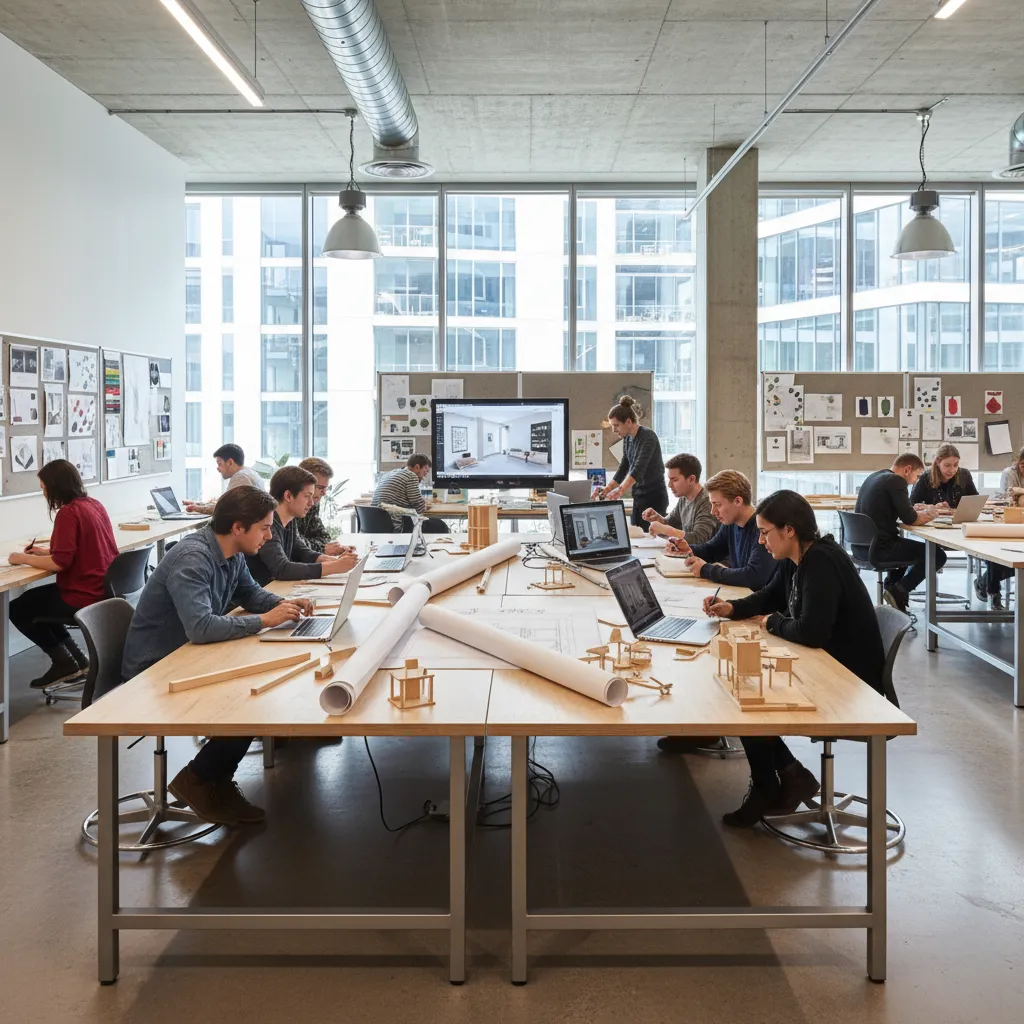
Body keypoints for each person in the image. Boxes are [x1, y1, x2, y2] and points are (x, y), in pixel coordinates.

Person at [123, 487, 314, 826]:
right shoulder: (193, 558)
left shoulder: (231, 551)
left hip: (187, 656)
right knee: (247, 699)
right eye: (265, 528)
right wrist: (263, 622)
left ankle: (215, 780)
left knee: (258, 686)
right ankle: (199, 779)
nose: (270, 536)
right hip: (155, 670)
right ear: (238, 527)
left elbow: (250, 593)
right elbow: (199, 627)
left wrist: (283, 607)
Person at [703, 490, 887, 827]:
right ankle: (787, 775)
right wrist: (733, 608)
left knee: (750, 693)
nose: (760, 541)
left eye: (764, 532)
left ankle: (770, 784)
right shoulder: (796, 558)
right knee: (744, 683)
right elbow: (768, 596)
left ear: (789, 530)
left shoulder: (822, 562)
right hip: (825, 664)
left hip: (849, 682)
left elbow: (811, 632)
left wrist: (772, 622)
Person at [7, 459, 119, 689]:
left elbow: (60, 563)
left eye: (44, 488)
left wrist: (23, 558)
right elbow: (73, 550)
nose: (44, 493)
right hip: (101, 588)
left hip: (82, 593)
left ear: (55, 486)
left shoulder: (68, 513)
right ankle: (77, 660)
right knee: (37, 603)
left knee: (18, 609)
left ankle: (64, 661)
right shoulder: (93, 504)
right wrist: (42, 552)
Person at [913, 443, 1007, 609]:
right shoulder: (925, 479)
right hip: (935, 529)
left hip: (962, 526)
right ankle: (989, 587)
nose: (952, 470)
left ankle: (992, 590)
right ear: (937, 462)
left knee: (993, 546)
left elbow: (975, 500)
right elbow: (913, 505)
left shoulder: (963, 475)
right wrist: (932, 508)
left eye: (956, 465)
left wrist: (958, 510)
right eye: (947, 465)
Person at [853, 452, 941, 612]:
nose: (915, 481)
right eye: (917, 475)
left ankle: (893, 588)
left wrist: (914, 510)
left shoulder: (876, 476)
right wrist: (933, 513)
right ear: (907, 470)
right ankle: (898, 590)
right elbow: (910, 519)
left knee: (906, 550)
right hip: (882, 549)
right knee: (938, 555)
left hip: (862, 548)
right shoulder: (896, 481)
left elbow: (900, 510)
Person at [246, 466, 358, 586]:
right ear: (288, 496)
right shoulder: (267, 524)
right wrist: (334, 566)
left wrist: (337, 561)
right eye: (306, 496)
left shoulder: (290, 520)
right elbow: (282, 569)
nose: (311, 502)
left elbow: (302, 551)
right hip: (261, 593)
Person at [666, 470, 776, 589]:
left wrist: (706, 570)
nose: (713, 512)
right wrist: (688, 549)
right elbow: (712, 550)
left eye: (717, 505)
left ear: (738, 501)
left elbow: (753, 576)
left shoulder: (762, 530)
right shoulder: (731, 523)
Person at [594, 395, 667, 530]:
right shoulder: (628, 439)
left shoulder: (648, 437)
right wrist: (606, 490)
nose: (614, 430)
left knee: (650, 539)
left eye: (616, 426)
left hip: (654, 497)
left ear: (628, 422)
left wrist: (620, 490)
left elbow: (638, 468)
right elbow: (624, 467)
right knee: (637, 536)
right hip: (639, 497)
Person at [642, 453, 718, 547]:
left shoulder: (707, 501)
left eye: (674, 480)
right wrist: (658, 519)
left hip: (710, 561)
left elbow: (699, 539)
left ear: (691, 479)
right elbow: (670, 523)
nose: (669, 485)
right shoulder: (684, 498)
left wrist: (665, 530)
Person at [184, 443, 266, 514]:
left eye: (219, 464)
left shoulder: (241, 477)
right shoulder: (250, 472)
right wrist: (198, 504)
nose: (217, 468)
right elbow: (227, 504)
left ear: (230, 462)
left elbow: (225, 509)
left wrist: (196, 508)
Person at [296, 457, 348, 555]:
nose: (324, 493)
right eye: (320, 488)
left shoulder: (313, 503)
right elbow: (294, 544)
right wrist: (322, 549)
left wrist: (324, 547)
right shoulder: (289, 505)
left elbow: (323, 536)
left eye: (325, 488)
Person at [372, 454, 432, 530]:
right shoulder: (411, 476)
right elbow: (420, 508)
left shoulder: (388, 474)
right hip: (395, 524)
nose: (426, 474)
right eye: (425, 470)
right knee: (439, 525)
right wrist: (425, 504)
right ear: (417, 467)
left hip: (375, 524)